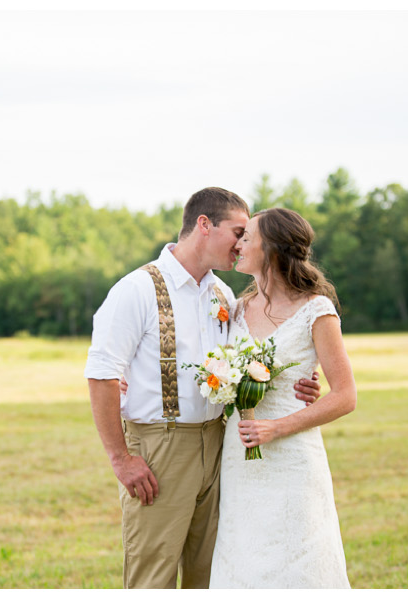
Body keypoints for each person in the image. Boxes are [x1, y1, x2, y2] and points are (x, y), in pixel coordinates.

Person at [84, 188, 321, 589]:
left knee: (210, 576)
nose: (243, 244)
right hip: (161, 448)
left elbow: (248, 361)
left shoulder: (223, 294)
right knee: (153, 573)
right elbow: (102, 373)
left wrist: (301, 383)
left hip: (219, 444)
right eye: (238, 232)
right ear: (204, 225)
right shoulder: (137, 289)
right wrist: (121, 458)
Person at [209, 207, 355, 588]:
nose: (238, 244)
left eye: (247, 237)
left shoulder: (316, 310)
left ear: (271, 247)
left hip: (292, 459)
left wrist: (277, 427)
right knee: (242, 552)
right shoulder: (235, 310)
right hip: (240, 455)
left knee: (299, 555)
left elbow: (345, 396)